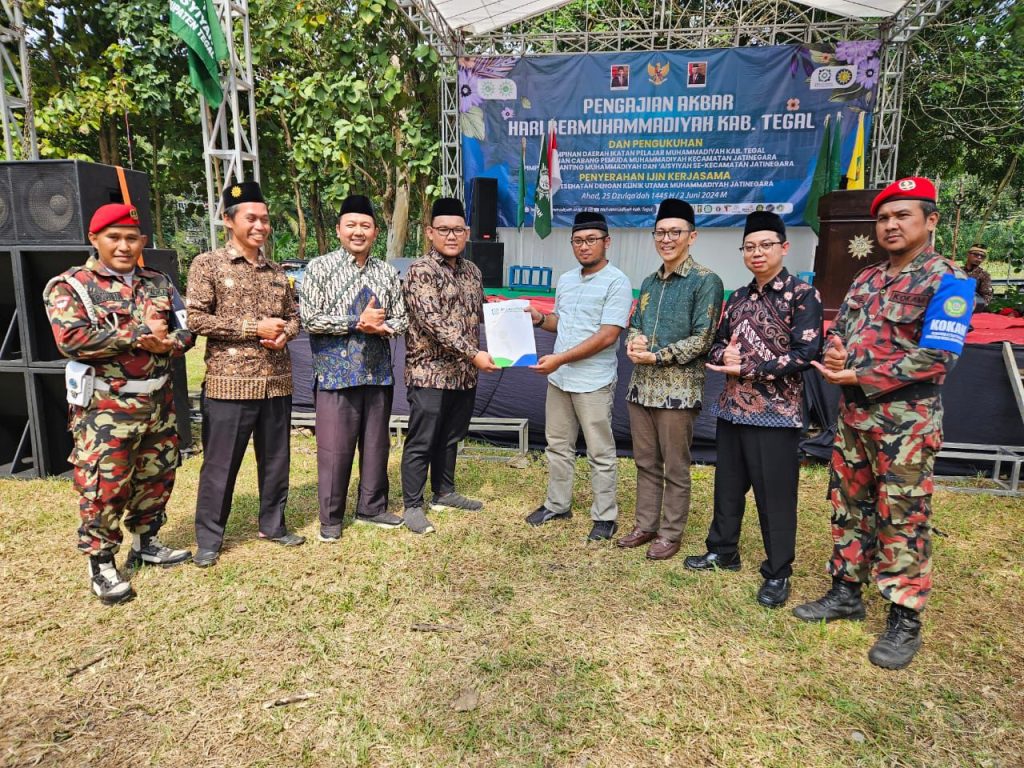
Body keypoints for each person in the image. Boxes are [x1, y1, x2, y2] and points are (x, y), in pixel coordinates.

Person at [794, 177, 972, 669]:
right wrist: (835, 351)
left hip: (906, 424)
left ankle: (903, 614)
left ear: (930, 221)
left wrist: (859, 373)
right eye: (884, 218)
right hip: (853, 417)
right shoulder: (868, 278)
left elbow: (939, 358)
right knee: (848, 504)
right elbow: (845, 332)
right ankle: (845, 592)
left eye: (903, 216)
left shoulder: (948, 280)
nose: (891, 225)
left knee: (903, 514)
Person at [44, 203, 194, 605]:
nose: (124, 246)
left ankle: (146, 541)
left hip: (158, 401)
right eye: (114, 237)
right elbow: (70, 339)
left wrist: (169, 343)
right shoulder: (71, 286)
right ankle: (102, 562)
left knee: (157, 475)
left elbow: (187, 329)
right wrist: (139, 335)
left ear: (143, 241)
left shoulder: (158, 281)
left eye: (132, 238)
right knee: (105, 485)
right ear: (94, 239)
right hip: (106, 407)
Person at [685, 211, 823, 607]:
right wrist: (721, 353)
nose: (756, 253)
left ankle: (778, 571)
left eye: (765, 245)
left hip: (777, 414)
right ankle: (723, 551)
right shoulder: (739, 297)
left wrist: (752, 368)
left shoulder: (802, 295)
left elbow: (806, 352)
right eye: (749, 247)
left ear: (784, 247)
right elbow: (715, 344)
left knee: (774, 495)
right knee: (727, 487)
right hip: (732, 409)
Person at [187, 181, 304, 567]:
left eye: (265, 219)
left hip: (276, 382)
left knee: (276, 460)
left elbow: (295, 317)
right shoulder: (208, 265)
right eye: (251, 218)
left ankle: (273, 524)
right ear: (228, 220)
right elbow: (196, 318)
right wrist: (254, 328)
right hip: (229, 384)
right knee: (221, 464)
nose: (261, 226)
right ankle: (208, 538)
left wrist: (283, 333)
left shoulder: (277, 272)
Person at [618, 199, 723, 560]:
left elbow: (703, 338)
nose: (667, 239)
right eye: (661, 232)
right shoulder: (649, 281)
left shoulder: (706, 281)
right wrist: (633, 340)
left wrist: (657, 355)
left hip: (678, 390)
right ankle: (646, 525)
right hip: (641, 386)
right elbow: (635, 322)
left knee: (675, 465)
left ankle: (670, 532)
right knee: (645, 461)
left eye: (675, 232)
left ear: (692, 236)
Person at [300, 194, 408, 541]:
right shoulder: (318, 268)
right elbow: (310, 319)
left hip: (377, 372)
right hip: (334, 375)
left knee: (377, 445)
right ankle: (331, 520)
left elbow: (404, 318)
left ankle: (372, 508)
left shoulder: (388, 273)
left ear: (376, 231)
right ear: (339, 229)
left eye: (365, 225)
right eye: (351, 225)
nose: (358, 231)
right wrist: (355, 323)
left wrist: (383, 324)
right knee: (334, 448)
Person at [525, 211, 634, 541]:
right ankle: (558, 505)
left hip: (593, 381)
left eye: (591, 240)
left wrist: (560, 359)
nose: (584, 247)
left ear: (606, 242)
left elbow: (607, 336)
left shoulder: (618, 281)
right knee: (557, 446)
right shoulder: (567, 279)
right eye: (578, 241)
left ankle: (605, 516)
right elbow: (562, 322)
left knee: (600, 452)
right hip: (560, 380)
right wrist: (539, 319)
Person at [400, 197, 499, 535]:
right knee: (422, 439)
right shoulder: (420, 270)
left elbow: (478, 312)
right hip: (429, 372)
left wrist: (509, 314)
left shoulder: (473, 271)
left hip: (463, 375)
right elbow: (434, 322)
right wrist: (474, 355)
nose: (452, 236)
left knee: (451, 436)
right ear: (430, 232)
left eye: (458, 229)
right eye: (444, 230)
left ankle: (444, 492)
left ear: (467, 232)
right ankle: (413, 504)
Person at [963, 244, 993, 311]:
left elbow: (987, 297)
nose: (979, 257)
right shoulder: (957, 272)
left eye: (982, 256)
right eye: (976, 254)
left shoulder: (984, 275)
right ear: (968, 254)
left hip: (973, 309)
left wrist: (976, 308)